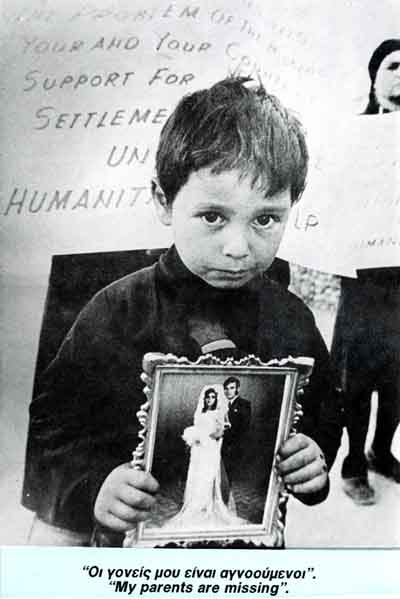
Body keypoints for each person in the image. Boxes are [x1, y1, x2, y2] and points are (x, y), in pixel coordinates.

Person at [22, 76, 342, 547]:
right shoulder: (116, 311)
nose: (238, 247)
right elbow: (52, 431)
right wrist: (94, 487)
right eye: (213, 216)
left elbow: (322, 414)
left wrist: (313, 458)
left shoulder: (291, 319)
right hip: (130, 559)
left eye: (265, 219)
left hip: (245, 560)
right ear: (163, 201)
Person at [331, 39, 400, 506]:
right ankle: (353, 461)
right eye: (394, 66)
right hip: (364, 283)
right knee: (358, 380)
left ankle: (380, 450)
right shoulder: (353, 137)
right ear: (375, 76)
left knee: (399, 378)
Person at [164, 387, 243, 530]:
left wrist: (207, 437)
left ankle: (206, 506)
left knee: (207, 477)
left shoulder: (218, 413)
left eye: (212, 397)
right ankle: (195, 504)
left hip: (209, 448)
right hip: (198, 450)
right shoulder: (200, 412)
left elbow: (220, 432)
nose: (209, 400)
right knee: (196, 476)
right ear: (204, 399)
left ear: (216, 399)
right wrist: (194, 437)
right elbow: (197, 428)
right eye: (208, 397)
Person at [221, 377, 251, 489]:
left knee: (228, 471)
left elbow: (244, 427)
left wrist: (228, 434)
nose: (228, 391)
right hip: (220, 442)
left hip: (233, 444)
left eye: (232, 388)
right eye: (226, 388)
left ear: (238, 389)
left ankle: (227, 492)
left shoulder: (244, 404)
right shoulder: (221, 404)